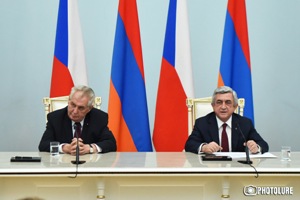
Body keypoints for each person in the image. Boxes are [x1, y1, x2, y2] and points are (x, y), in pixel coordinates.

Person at [185, 86, 269, 154]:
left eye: (228, 102)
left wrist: (256, 147)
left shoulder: (245, 123)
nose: (223, 107)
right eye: (219, 102)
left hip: (237, 169)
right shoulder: (202, 123)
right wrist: (204, 147)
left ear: (235, 106)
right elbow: (189, 145)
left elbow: (264, 145)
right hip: (211, 168)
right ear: (213, 106)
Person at [39, 85, 117, 155]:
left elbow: (111, 143)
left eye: (81, 108)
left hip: (89, 166)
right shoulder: (55, 118)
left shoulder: (99, 118)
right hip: (62, 166)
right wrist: (64, 148)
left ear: (89, 108)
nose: (75, 111)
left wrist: (90, 148)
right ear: (68, 101)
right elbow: (43, 145)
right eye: (73, 105)